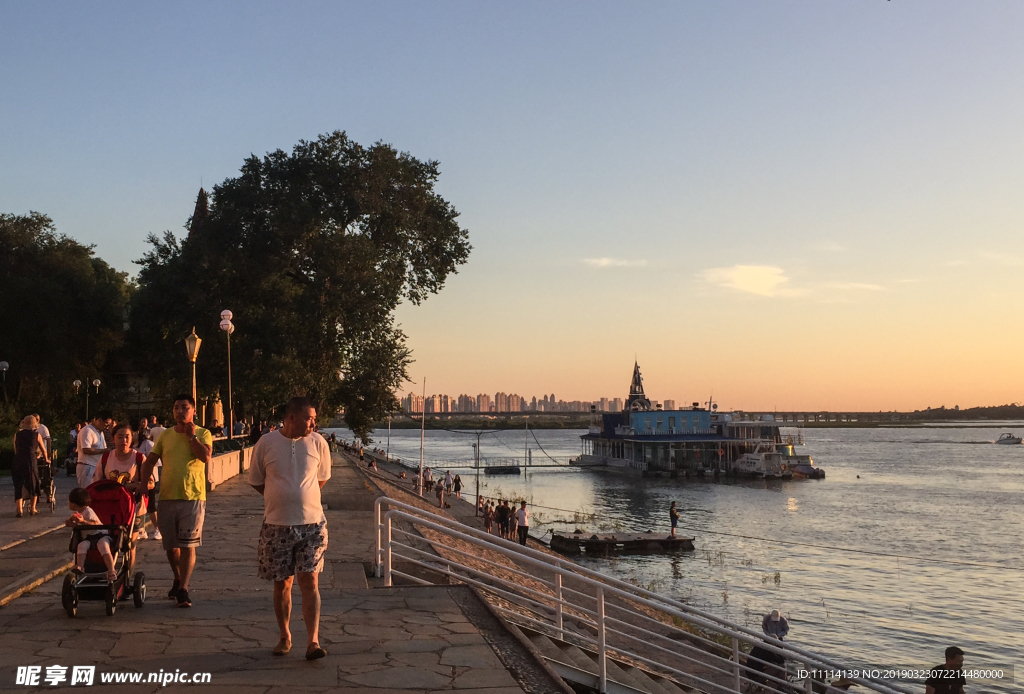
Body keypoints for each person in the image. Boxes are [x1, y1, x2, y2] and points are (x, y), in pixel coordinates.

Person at [249, 396, 331, 661]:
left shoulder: (319, 443)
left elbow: (321, 479)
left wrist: (301, 498)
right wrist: (279, 497)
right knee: (282, 584)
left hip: (312, 525)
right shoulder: (266, 443)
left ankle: (313, 641)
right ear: (291, 418)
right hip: (277, 525)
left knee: (310, 580)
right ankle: (284, 635)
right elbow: (257, 480)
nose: (313, 423)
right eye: (310, 418)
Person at [137, 394, 212, 608]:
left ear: (194, 411)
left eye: (185, 407)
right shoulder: (166, 435)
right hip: (168, 496)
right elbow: (150, 461)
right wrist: (143, 484)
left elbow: (205, 457)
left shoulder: (203, 433)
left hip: (193, 496)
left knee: (188, 544)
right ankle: (178, 577)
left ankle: (184, 589)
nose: (180, 411)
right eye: (176, 407)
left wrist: (191, 437)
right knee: (171, 546)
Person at [93, 424, 147, 561]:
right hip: (110, 507)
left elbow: (150, 483)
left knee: (130, 544)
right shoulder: (106, 459)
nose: (124, 440)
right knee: (109, 541)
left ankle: (127, 575)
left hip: (134, 508)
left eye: (127, 437)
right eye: (120, 437)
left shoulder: (139, 458)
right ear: (113, 439)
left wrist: (137, 485)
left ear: (132, 439)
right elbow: (96, 482)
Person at [66, 487, 117, 582]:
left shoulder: (88, 511)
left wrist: (83, 521)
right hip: (89, 538)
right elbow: (76, 524)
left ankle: (111, 570)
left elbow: (94, 524)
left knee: (103, 545)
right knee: (81, 545)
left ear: (73, 504)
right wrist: (71, 523)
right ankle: (80, 566)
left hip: (101, 535)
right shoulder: (78, 513)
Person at [13, 415, 47, 517]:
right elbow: (43, 449)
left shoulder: (17, 435)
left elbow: (16, 450)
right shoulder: (36, 435)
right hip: (31, 460)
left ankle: (19, 510)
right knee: (33, 482)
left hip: (18, 460)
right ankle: (33, 508)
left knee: (19, 484)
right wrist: (47, 459)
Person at [135, 427, 161, 541]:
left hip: (148, 478)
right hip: (136, 480)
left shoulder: (148, 444)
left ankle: (158, 528)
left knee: (150, 506)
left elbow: (155, 461)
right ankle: (141, 529)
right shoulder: (131, 446)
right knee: (139, 506)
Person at [77, 412, 111, 488]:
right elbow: (86, 450)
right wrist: (103, 451)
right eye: (106, 424)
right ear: (99, 420)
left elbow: (104, 448)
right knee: (88, 491)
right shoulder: (87, 430)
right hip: (87, 465)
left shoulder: (100, 432)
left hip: (96, 466)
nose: (107, 427)